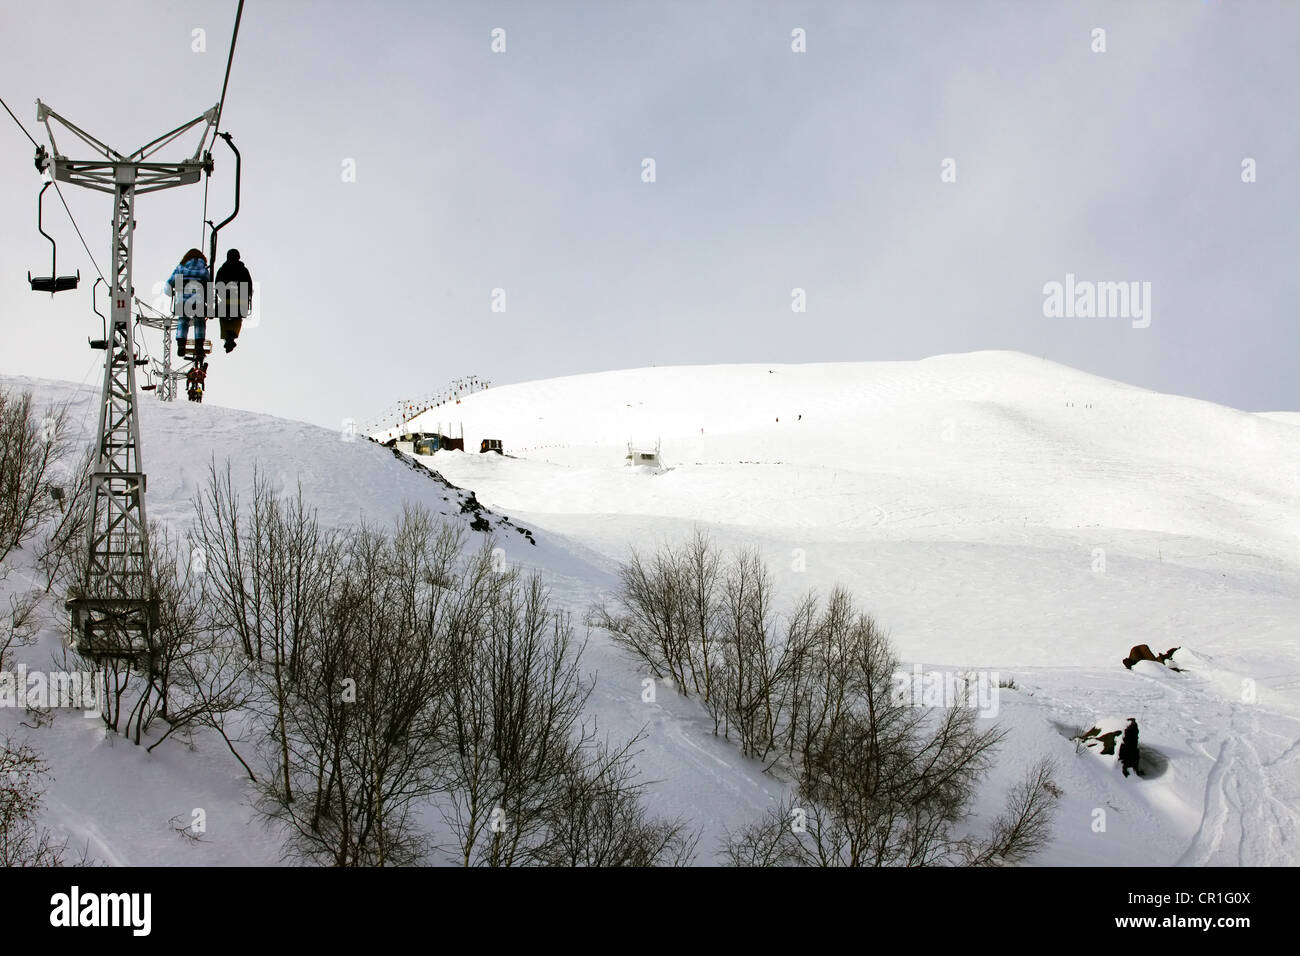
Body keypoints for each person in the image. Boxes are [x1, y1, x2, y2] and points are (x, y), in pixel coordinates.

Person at [166, 249, 210, 359]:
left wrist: (170, 292)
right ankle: (199, 346)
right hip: (198, 301)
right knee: (200, 320)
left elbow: (169, 284)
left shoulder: (180, 268)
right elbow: (208, 287)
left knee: (183, 320)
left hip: (182, 301)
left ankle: (181, 345)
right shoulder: (204, 271)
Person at [213, 248, 253, 353]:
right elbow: (249, 285)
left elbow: (217, 284)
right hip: (240, 300)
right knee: (237, 317)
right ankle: (231, 335)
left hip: (225, 299)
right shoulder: (243, 270)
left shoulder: (222, 269)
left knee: (223, 317)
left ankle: (227, 337)